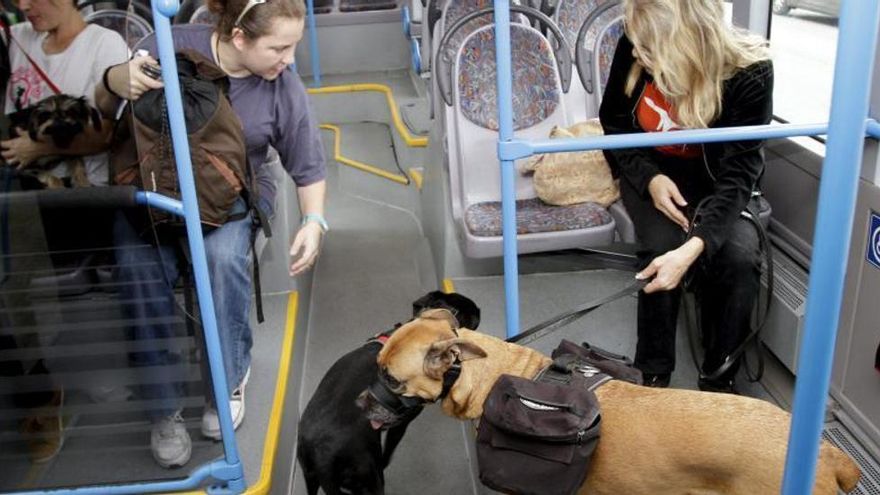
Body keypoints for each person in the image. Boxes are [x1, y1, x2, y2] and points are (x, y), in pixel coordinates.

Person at [96, 0, 327, 468]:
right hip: (156, 190)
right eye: (279, 48)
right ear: (239, 38)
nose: (288, 59)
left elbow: (307, 162)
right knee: (138, 270)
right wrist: (114, 80)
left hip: (233, 193)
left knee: (221, 260)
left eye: (293, 47)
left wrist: (313, 221)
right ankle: (164, 409)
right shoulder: (166, 47)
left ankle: (226, 382)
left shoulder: (282, 84)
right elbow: (104, 107)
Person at [599, 0, 773, 393]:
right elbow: (613, 123)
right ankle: (653, 373)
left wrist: (695, 246)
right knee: (660, 246)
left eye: (649, 51)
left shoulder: (752, 73)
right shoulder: (637, 39)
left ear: (683, 44)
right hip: (652, 168)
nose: (637, 56)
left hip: (719, 183)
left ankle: (718, 381)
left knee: (739, 259)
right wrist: (650, 179)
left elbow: (738, 175)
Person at [0, 0, 127, 464]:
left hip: (82, 198)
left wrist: (37, 146)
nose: (25, 6)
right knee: (13, 288)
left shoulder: (103, 44)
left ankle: (55, 389)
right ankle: (39, 388)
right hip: (25, 196)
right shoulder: (17, 43)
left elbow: (110, 133)